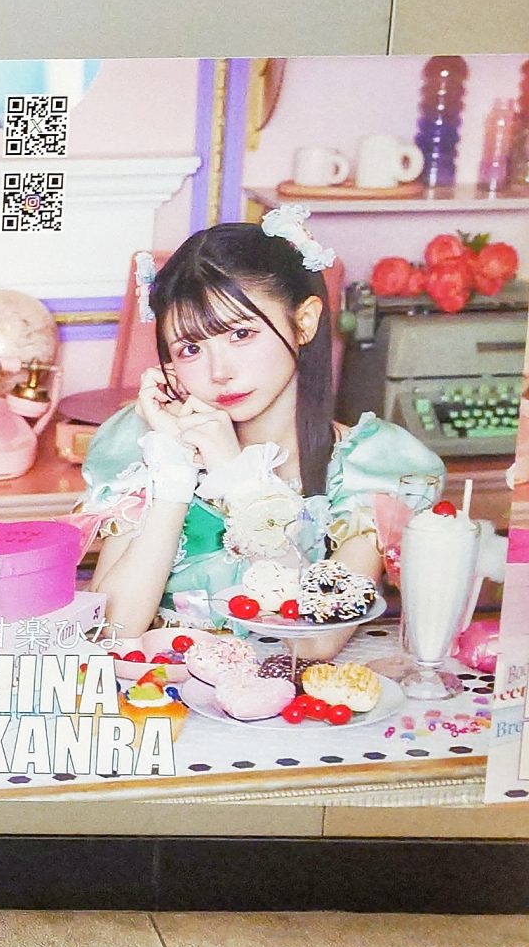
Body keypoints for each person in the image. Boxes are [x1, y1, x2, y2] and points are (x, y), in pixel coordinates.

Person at [79, 209, 441, 653]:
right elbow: (112, 632)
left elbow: (317, 643)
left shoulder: (367, 467)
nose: (219, 372)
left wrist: (237, 478)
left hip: (297, 692)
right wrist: (173, 474)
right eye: (190, 348)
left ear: (304, 322)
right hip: (162, 690)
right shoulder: (146, 446)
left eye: (241, 334)